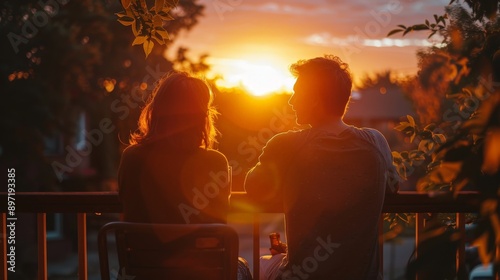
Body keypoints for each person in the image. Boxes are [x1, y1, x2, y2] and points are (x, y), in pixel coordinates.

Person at [244, 55, 398, 280]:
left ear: (314, 99)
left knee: (260, 263)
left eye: (297, 93)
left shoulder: (287, 144)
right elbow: (392, 186)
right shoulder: (376, 142)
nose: (291, 102)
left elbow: (254, 187)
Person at [118, 71, 252, 279]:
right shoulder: (215, 162)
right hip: (201, 273)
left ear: (156, 110)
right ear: (201, 116)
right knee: (242, 266)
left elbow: (128, 210)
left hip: (143, 271)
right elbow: (218, 228)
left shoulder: (132, 157)